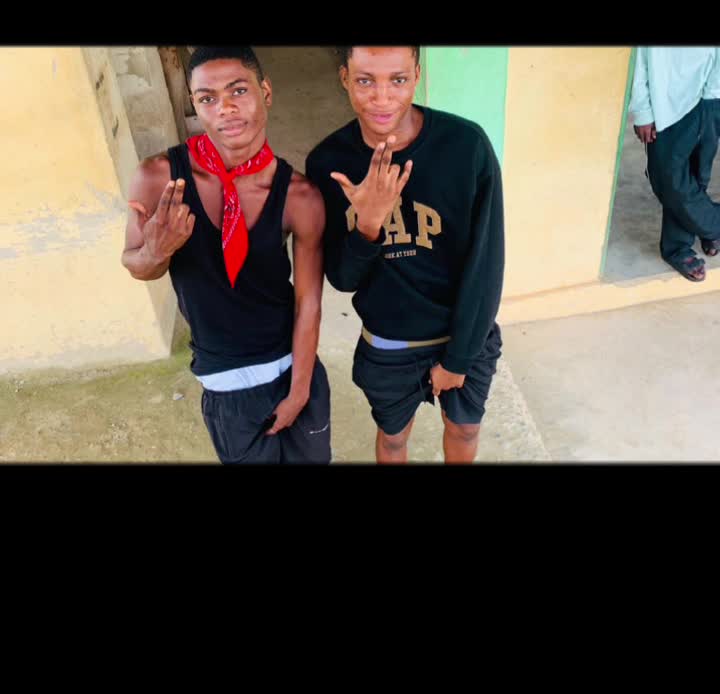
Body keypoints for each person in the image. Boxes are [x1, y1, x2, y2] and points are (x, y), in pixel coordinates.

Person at [121, 45, 331, 465]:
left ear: (265, 92)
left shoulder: (299, 196)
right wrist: (156, 251)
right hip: (227, 383)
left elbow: (308, 302)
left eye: (238, 90)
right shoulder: (159, 178)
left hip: (292, 366)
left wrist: (300, 391)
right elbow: (136, 265)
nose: (225, 108)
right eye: (207, 98)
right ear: (195, 105)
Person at [306, 45, 504, 465]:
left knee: (465, 428)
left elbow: (486, 265)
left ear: (416, 74)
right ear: (344, 78)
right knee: (393, 439)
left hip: (463, 334)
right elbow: (343, 279)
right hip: (388, 344)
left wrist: (459, 358)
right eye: (365, 81)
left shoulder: (465, 147)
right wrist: (368, 225)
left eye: (397, 80)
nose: (382, 98)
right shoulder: (329, 163)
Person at [630, 46, 720, 281]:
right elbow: (639, 62)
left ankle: (678, 246)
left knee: (698, 174)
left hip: (710, 97)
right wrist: (642, 111)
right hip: (666, 105)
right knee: (668, 180)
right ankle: (710, 226)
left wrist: (714, 93)